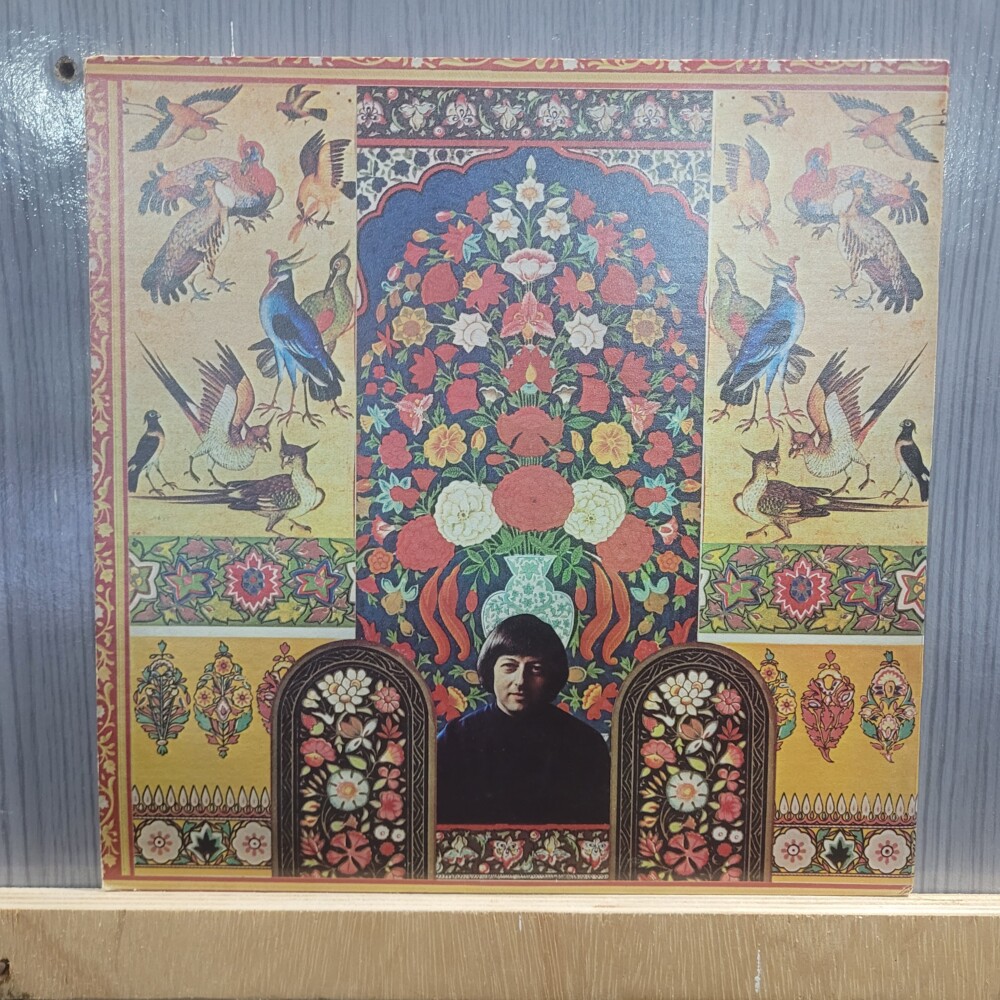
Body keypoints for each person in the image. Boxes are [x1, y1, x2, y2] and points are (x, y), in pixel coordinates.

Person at [436, 613, 611, 825]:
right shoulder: (454, 740)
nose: (520, 681)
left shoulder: (584, 743)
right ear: (491, 671)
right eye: (510, 667)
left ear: (551, 676)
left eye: (535, 669)